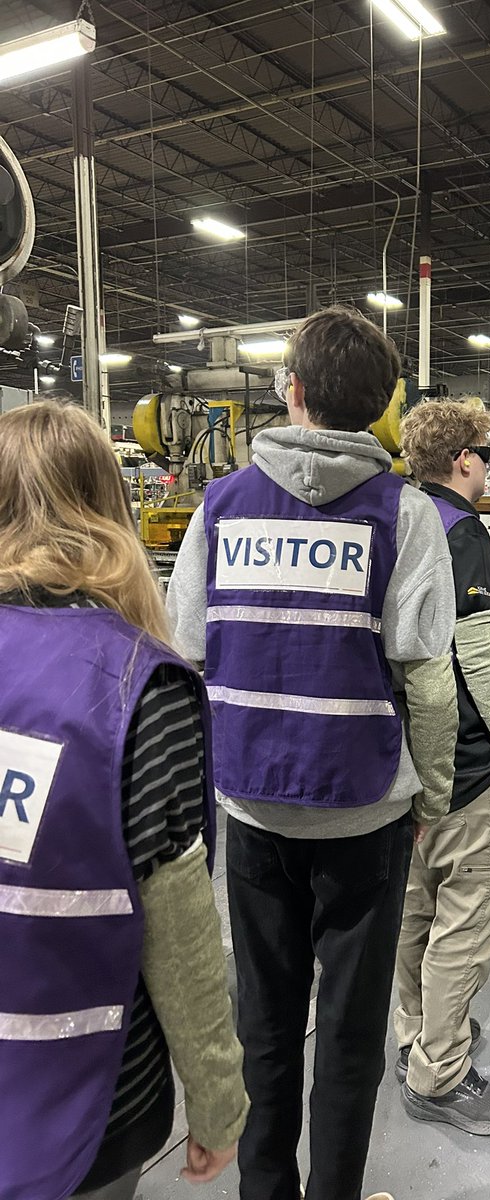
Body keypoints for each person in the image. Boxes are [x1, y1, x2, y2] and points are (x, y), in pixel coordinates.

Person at [166, 306, 458, 1200]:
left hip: (252, 809)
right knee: (349, 1032)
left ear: (291, 391)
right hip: (365, 810)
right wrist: (431, 798)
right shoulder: (406, 515)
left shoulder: (220, 508)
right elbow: (429, 684)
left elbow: (187, 653)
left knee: (263, 1020)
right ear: (383, 406)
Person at [0, 402, 247, 1200]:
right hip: (84, 1099)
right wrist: (218, 1102)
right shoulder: (134, 686)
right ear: (108, 504)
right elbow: (179, 938)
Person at [392, 400, 490, 1136]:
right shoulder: (462, 531)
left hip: (398, 764)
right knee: (466, 919)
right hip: (464, 764)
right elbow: (480, 658)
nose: (488, 466)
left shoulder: (391, 518)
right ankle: (441, 1073)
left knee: (412, 911)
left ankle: (414, 1037)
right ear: (464, 460)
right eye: (486, 454)